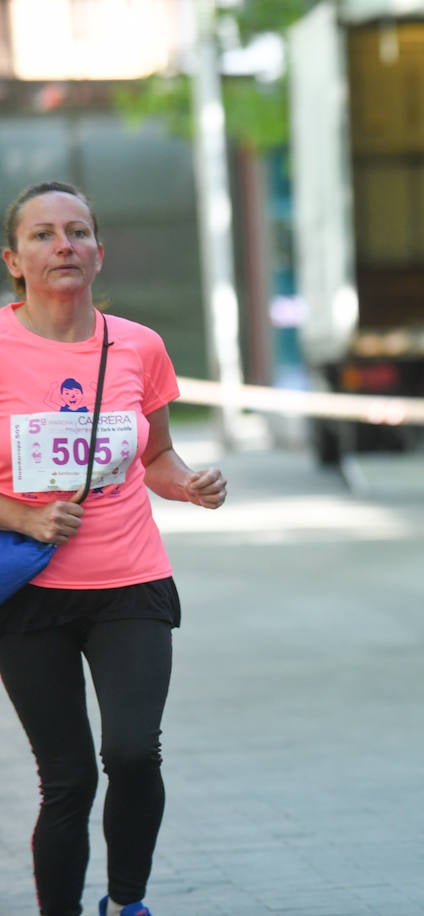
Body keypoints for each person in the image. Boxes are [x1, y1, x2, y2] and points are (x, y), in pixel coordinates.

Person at [0, 181, 227, 916]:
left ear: (100, 251)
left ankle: (126, 902)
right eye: (43, 235)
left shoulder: (138, 346)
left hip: (131, 582)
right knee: (66, 779)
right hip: (28, 596)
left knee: (133, 752)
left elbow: (157, 456)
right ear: (14, 259)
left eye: (76, 232)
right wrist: (23, 517)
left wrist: (188, 483)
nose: (62, 245)